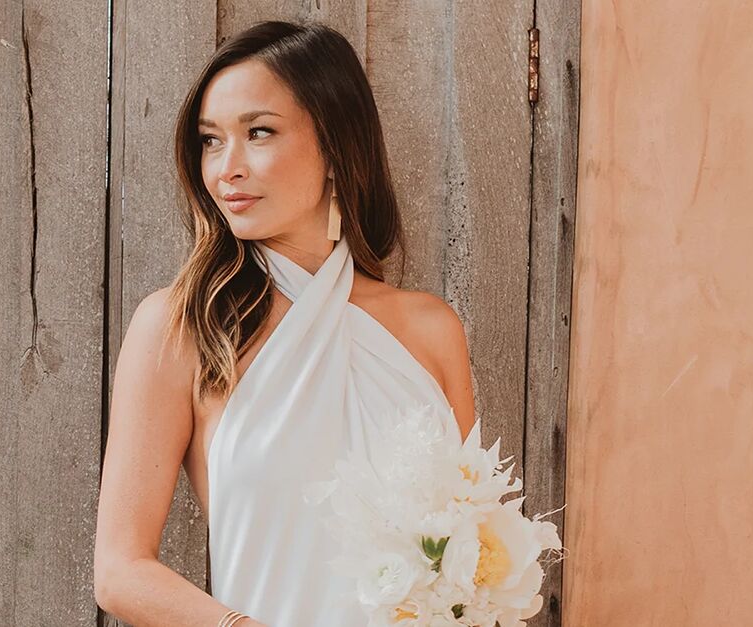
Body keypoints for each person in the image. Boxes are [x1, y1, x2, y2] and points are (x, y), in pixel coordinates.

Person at [94, 19, 479, 626]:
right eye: (211, 140)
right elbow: (120, 573)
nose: (227, 168)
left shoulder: (431, 331)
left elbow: (465, 550)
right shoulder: (183, 326)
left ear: (336, 148)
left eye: (259, 132)